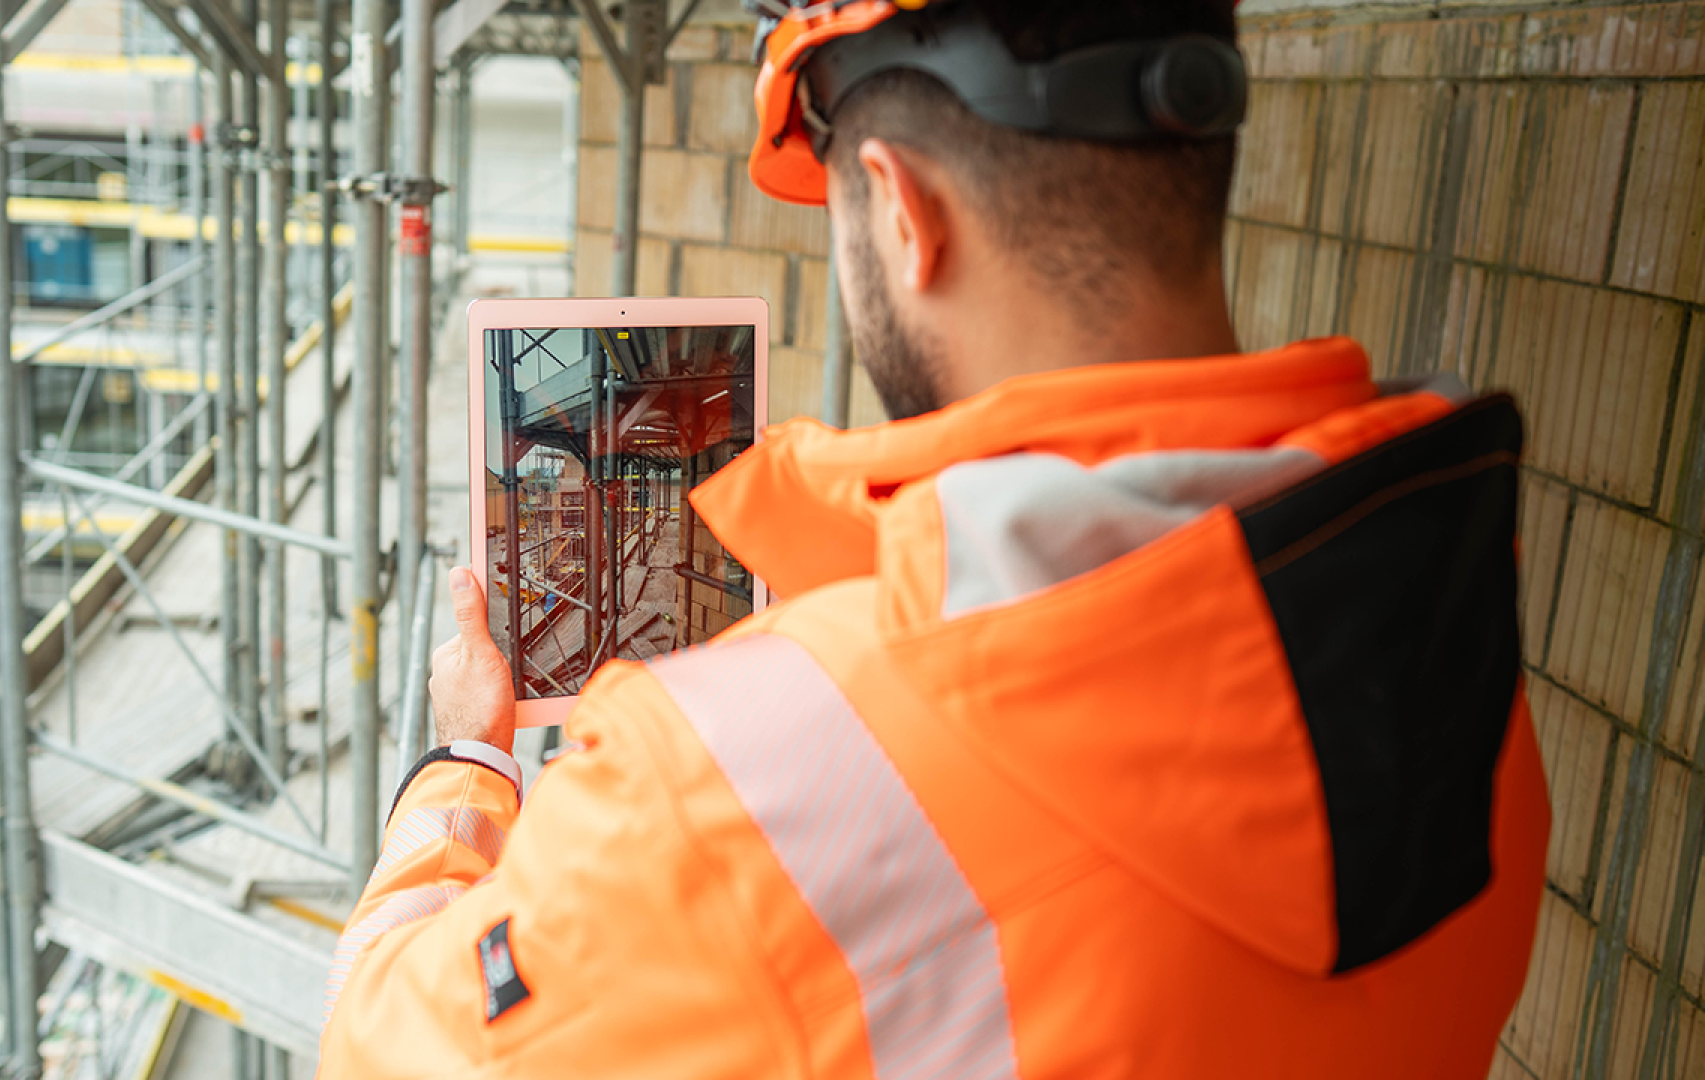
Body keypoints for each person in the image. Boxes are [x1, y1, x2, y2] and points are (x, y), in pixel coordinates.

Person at [317, 1, 1550, 1076]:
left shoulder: (719, 784)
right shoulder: (1438, 618)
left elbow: (375, 1044)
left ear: (902, 210)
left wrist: (465, 759)